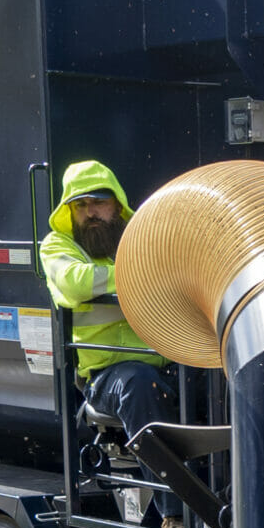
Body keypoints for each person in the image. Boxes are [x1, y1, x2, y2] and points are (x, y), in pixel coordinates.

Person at [40, 159, 170, 442]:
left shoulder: (142, 237)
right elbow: (73, 282)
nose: (90, 212)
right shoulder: (57, 245)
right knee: (140, 383)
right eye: (80, 205)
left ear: (117, 205)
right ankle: (164, 486)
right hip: (106, 375)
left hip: (170, 362)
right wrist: (137, 271)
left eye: (99, 202)